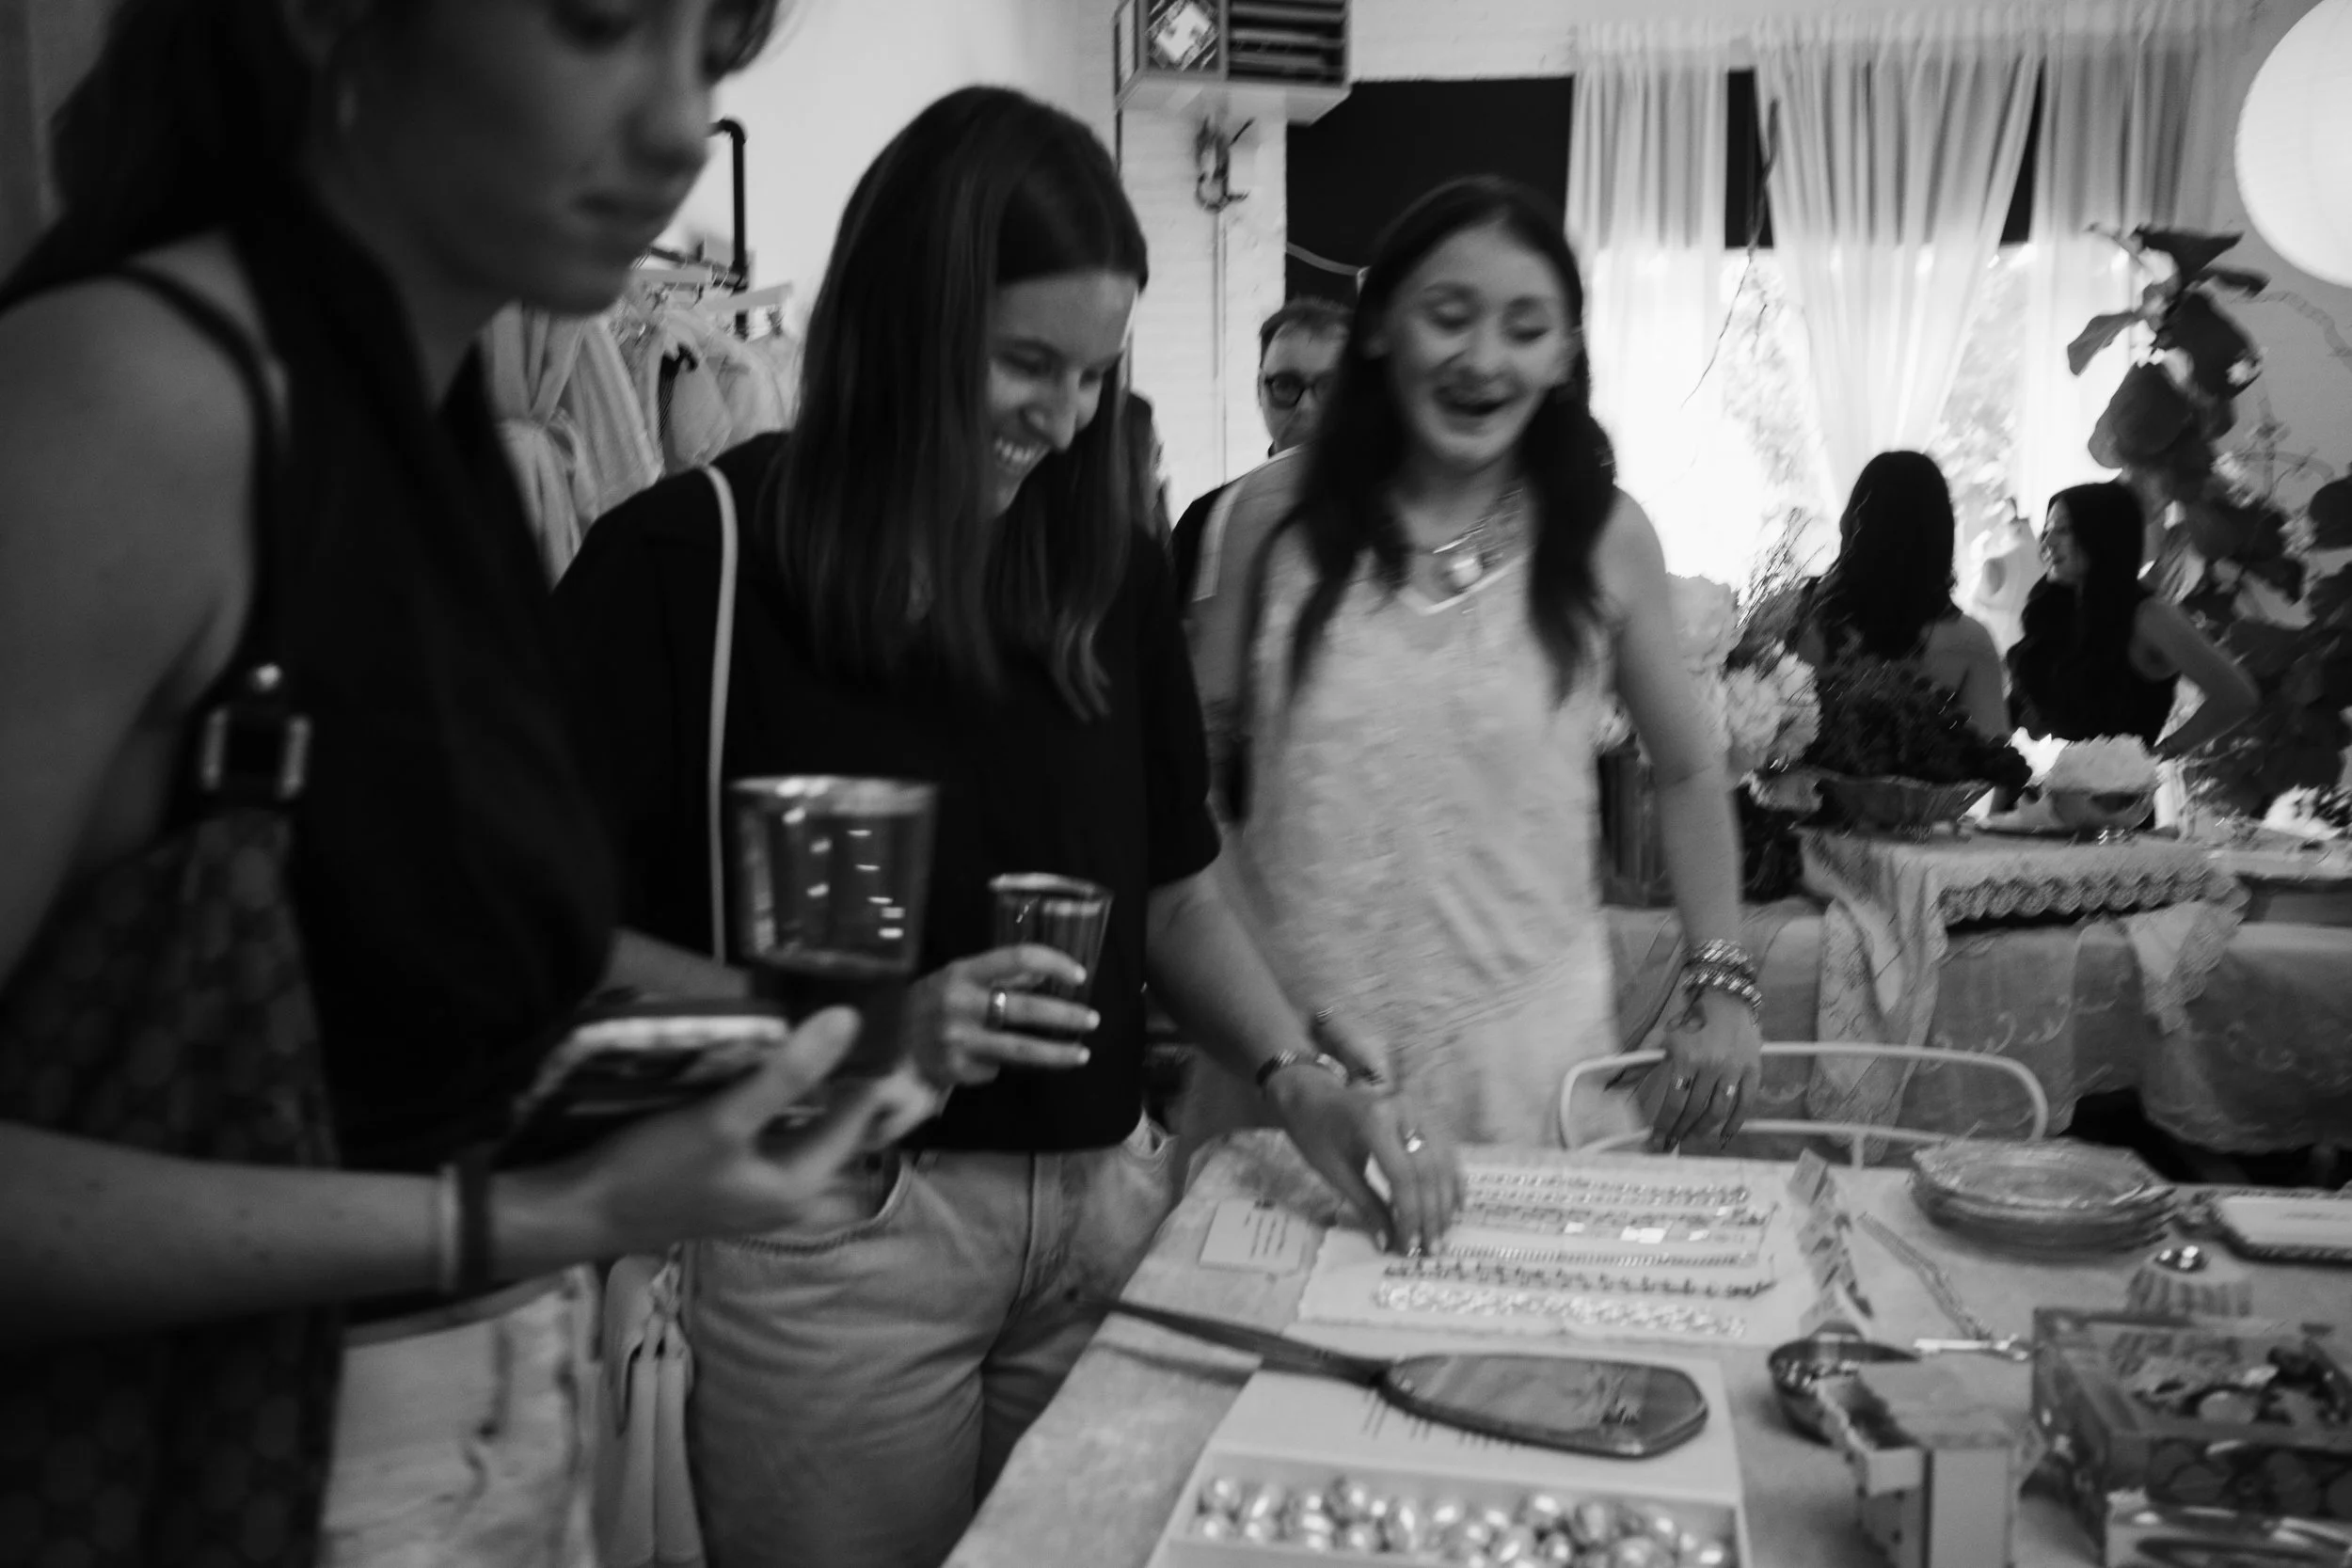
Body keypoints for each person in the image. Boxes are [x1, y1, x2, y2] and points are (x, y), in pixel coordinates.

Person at [0, 4, 926, 1562]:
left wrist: (785, 1036)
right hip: (243, 1453)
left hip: (499, 1422)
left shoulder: (437, 432)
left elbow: (397, 949)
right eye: (601, 25)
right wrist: (538, 1215)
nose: (676, 126)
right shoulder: (137, 395)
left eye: (709, 55)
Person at [548, 87, 1457, 1568]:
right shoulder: (687, 565)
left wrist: (1298, 1072)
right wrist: (858, 1030)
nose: (1065, 417)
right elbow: (546, 957)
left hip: (1105, 1209)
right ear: (900, 320)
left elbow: (1171, 886)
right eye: (1026, 361)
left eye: (1095, 374)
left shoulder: (1095, 563)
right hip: (831, 1228)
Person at [1184, 176, 1764, 1154]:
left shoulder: (1604, 535)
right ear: (1379, 330)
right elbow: (1188, 779)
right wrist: (1269, 1002)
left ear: (1565, 353)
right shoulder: (1267, 520)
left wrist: (1723, 979)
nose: (1482, 358)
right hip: (1298, 1058)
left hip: (1524, 1069)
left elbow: (1688, 767)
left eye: (1525, 327)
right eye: (1447, 316)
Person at [2009, 481, 2258, 757]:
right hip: (2062, 784)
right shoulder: (2060, 606)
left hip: (2113, 794)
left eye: (2063, 530)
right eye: (2047, 530)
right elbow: (2041, 717)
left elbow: (2238, 696)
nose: (2047, 542)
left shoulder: (2150, 616)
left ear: (2102, 535)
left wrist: (2159, 755)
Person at [1795, 451, 2010, 739]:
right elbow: (1993, 763)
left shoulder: (1797, 616)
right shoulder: (1970, 642)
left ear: (1852, 523)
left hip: (1800, 785)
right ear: (1940, 535)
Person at [1170, 294, 1351, 600]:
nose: (1306, 407)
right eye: (1286, 385)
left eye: (1329, 387)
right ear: (1259, 391)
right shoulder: (1209, 520)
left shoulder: (1392, 518)